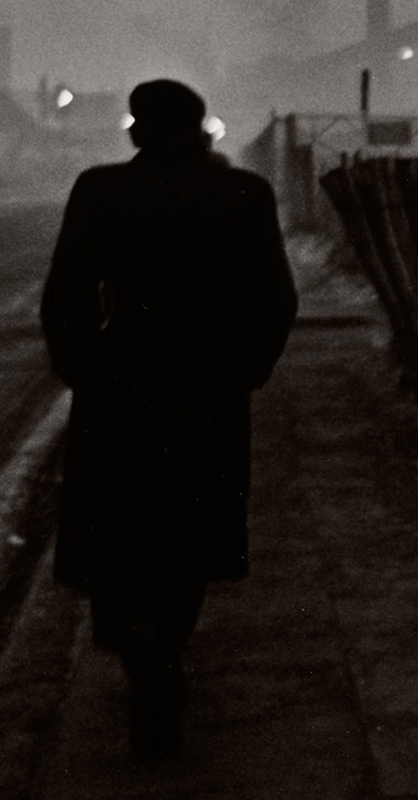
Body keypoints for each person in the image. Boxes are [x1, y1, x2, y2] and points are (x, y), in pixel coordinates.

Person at [40, 79, 297, 757]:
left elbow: (64, 295)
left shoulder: (99, 192)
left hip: (121, 385)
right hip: (208, 389)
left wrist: (83, 368)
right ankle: (164, 648)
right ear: (201, 128)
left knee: (120, 532)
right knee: (192, 532)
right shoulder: (244, 195)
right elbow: (274, 297)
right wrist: (245, 368)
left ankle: (142, 653)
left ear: (135, 133)